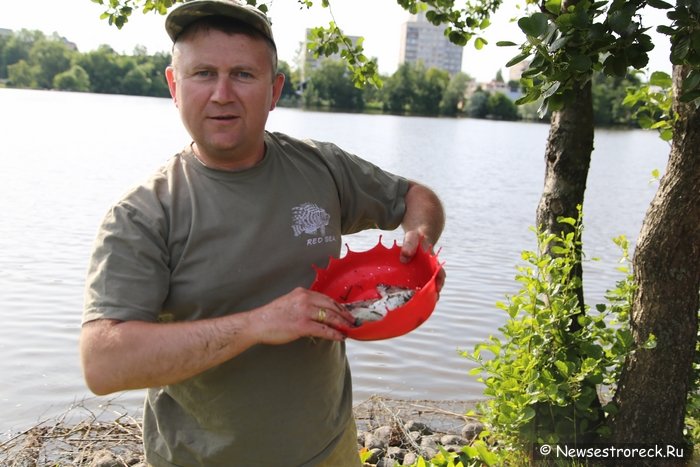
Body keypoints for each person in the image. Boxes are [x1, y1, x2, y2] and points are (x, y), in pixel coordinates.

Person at [80, 0, 445, 465]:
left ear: (275, 91)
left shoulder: (321, 167)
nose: (222, 94)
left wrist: (421, 242)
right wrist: (257, 324)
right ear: (174, 85)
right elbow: (103, 364)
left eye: (244, 75)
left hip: (329, 451)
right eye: (203, 73)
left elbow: (417, 197)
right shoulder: (143, 213)